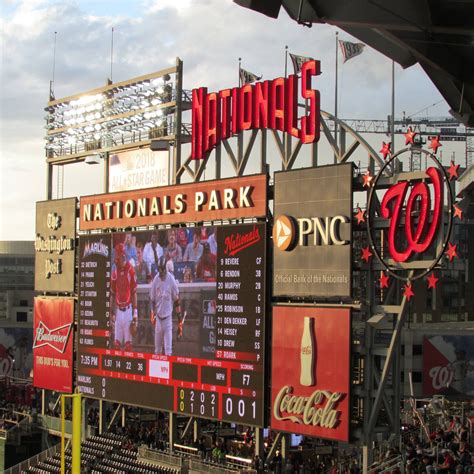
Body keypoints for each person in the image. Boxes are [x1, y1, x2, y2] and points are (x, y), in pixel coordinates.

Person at [149, 256, 179, 356]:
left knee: (168, 351)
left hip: (167, 319)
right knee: (157, 351)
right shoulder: (156, 280)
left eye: (162, 272)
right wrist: (152, 313)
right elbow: (152, 299)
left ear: (165, 269)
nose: (160, 275)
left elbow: (176, 300)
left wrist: (179, 321)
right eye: (159, 272)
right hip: (158, 318)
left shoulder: (171, 280)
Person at [110, 243, 138, 351]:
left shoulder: (130, 270)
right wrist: (111, 314)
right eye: (116, 257)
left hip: (127, 311)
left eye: (118, 257)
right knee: (116, 346)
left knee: (128, 347)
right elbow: (112, 294)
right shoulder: (115, 271)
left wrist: (135, 315)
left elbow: (134, 292)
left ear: (123, 255)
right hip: (118, 311)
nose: (116, 260)